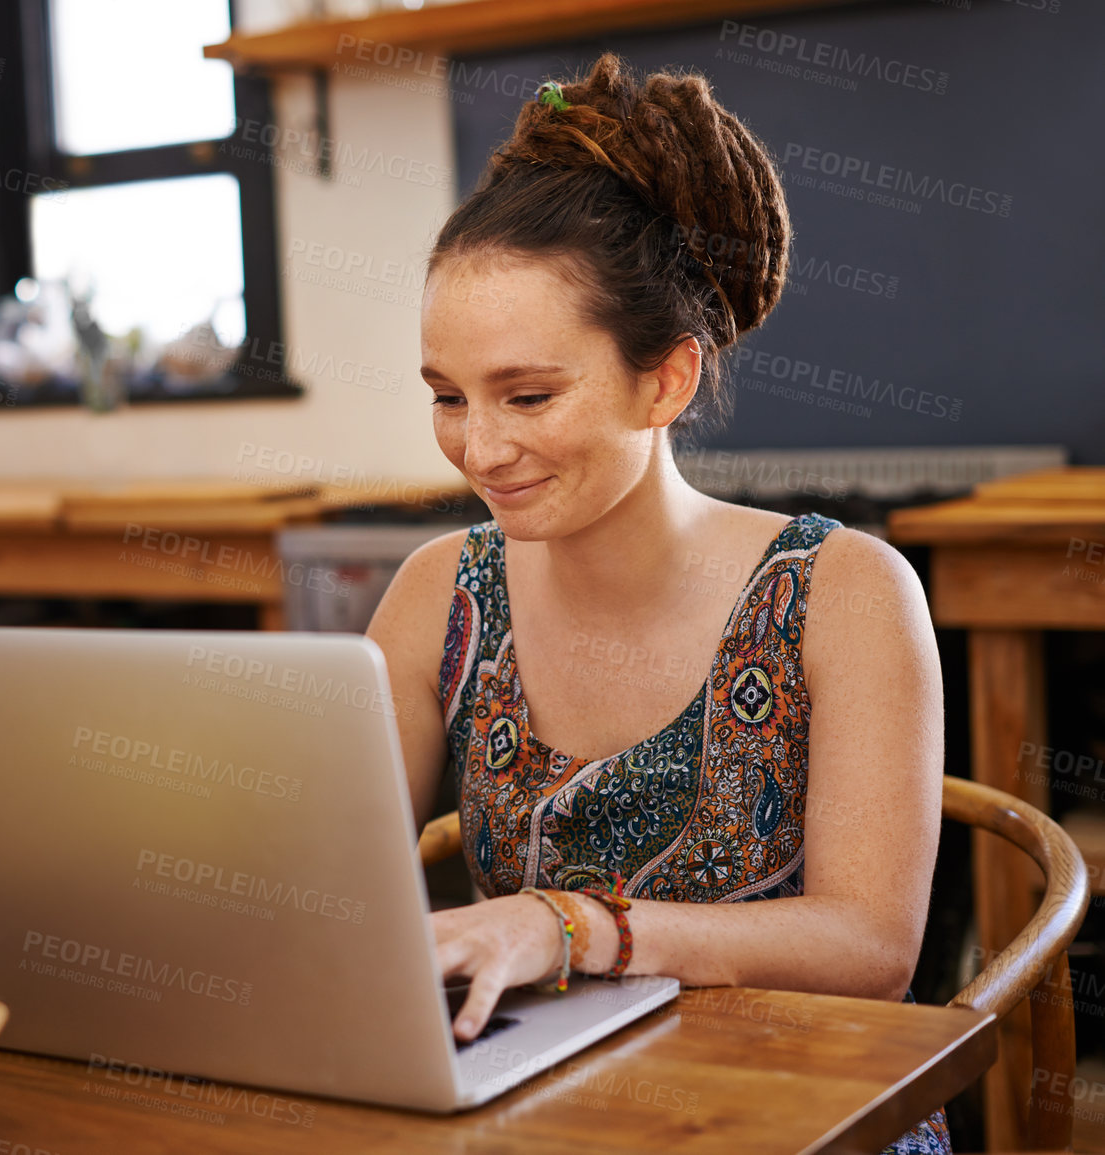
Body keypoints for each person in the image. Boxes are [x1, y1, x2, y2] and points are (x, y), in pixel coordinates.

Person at [364, 53, 949, 1154]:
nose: (479, 450)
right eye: (448, 398)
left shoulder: (846, 592)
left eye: (528, 395)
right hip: (534, 1106)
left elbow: (873, 948)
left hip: (805, 1111)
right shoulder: (436, 593)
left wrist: (568, 927)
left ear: (667, 381)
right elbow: (328, 878)